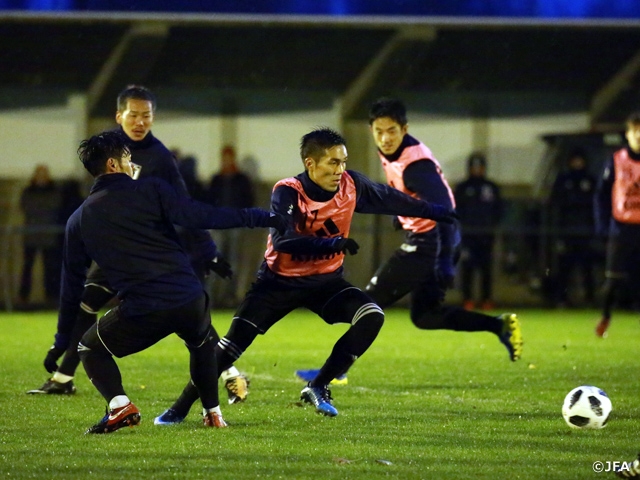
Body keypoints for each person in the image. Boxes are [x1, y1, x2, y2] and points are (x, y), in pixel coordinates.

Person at [153, 127, 457, 422]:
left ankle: (318, 385)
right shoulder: (287, 191)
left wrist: (438, 211)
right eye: (333, 162)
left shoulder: (352, 184)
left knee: (372, 316)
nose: (340, 170)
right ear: (310, 163)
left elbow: (392, 199)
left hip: (325, 283)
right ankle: (179, 408)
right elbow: (284, 241)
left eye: (344, 162)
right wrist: (332, 244)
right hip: (277, 284)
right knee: (228, 350)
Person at [28, 85, 248, 403]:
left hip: (148, 253)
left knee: (182, 313)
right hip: (118, 249)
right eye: (134, 115)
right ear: (120, 116)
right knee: (90, 303)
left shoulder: (160, 158)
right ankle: (64, 377)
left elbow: (185, 206)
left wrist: (208, 252)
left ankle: (229, 372)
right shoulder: (106, 149)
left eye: (147, 115)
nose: (140, 122)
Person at [61, 130, 284, 433]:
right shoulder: (152, 189)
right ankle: (213, 414)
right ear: (112, 164)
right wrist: (261, 217)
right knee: (201, 344)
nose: (133, 164)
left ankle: (119, 405)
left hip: (145, 309)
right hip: (190, 298)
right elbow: (201, 217)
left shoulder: (78, 219)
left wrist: (60, 340)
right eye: (127, 158)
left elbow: (72, 284)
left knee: (89, 348)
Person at [297, 99, 522, 386]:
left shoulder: (417, 166)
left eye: (391, 131)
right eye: (379, 131)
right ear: (371, 130)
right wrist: (401, 214)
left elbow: (446, 212)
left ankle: (332, 372)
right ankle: (499, 325)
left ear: (404, 129)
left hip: (430, 244)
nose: (385, 138)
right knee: (426, 316)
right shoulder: (398, 152)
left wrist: (444, 260)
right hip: (431, 243)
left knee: (367, 304)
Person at [594, 112, 640, 337]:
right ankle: (605, 317)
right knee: (613, 279)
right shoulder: (616, 160)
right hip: (622, 227)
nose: (639, 135)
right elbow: (601, 195)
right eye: (636, 130)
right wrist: (602, 225)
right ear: (628, 134)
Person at [207, 145, 256, 307]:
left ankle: (230, 297)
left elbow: (248, 200)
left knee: (233, 263)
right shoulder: (217, 179)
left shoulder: (241, 180)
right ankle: (214, 297)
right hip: (219, 226)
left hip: (235, 226)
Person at [548, 148, 597, 308]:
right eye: (575, 160)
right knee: (565, 267)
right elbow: (555, 203)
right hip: (567, 231)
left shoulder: (590, 180)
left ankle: (590, 298)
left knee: (586, 267)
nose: (577, 163)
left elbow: (596, 204)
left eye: (579, 160)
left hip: (585, 231)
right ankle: (562, 298)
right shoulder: (563, 179)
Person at [454, 152, 503, 311]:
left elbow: (499, 210)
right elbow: (456, 210)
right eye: (474, 167)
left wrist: (492, 226)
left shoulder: (491, 187)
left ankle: (486, 299)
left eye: (479, 167)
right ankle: (467, 299)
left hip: (486, 235)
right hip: (468, 235)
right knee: (467, 268)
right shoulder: (462, 188)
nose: (477, 170)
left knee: (486, 268)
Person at [18, 164, 63, 308]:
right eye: (39, 174)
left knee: (50, 268)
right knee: (27, 267)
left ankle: (51, 298)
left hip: (48, 235)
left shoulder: (54, 191)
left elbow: (54, 206)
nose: (41, 178)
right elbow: (26, 206)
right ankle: (23, 297)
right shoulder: (28, 191)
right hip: (31, 235)